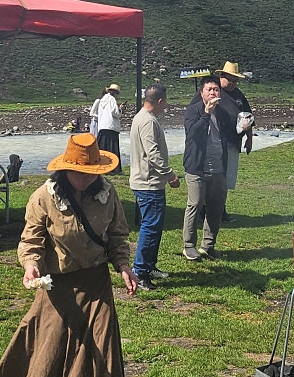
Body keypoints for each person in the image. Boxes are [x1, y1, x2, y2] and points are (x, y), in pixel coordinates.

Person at [0, 131, 136, 377]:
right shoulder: (44, 197)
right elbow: (31, 241)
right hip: (57, 284)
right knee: (49, 349)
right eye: (79, 172)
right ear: (65, 169)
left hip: (96, 281)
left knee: (104, 346)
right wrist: (31, 265)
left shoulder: (107, 194)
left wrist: (123, 266)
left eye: (91, 173)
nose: (85, 178)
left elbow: (117, 237)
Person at [128, 84, 180, 289]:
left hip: (145, 181)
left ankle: (148, 266)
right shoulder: (148, 121)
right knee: (150, 228)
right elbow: (153, 153)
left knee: (154, 227)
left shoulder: (140, 117)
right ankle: (140, 271)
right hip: (148, 183)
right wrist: (169, 174)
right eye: (165, 102)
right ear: (159, 101)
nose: (165, 106)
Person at [180, 79, 232, 260]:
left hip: (218, 168)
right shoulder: (193, 110)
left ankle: (208, 245)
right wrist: (207, 114)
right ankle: (188, 245)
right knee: (194, 204)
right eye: (209, 89)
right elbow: (193, 132)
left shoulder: (222, 113)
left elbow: (228, 136)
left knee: (216, 207)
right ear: (201, 92)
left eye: (216, 89)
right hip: (197, 167)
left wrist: (243, 129)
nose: (212, 93)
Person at [215, 63, 255, 198]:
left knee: (227, 177)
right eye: (229, 79)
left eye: (235, 81)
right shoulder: (214, 91)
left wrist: (249, 139)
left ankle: (221, 206)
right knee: (215, 177)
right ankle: (208, 207)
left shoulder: (238, 94)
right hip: (216, 143)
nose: (232, 83)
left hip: (233, 142)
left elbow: (248, 116)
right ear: (221, 77)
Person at [91, 84, 123, 168]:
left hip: (102, 126)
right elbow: (115, 113)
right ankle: (113, 167)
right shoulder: (112, 99)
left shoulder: (102, 100)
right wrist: (120, 109)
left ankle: (100, 165)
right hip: (111, 126)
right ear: (115, 93)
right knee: (112, 148)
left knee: (102, 148)